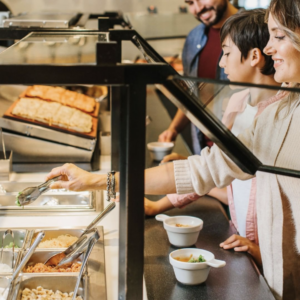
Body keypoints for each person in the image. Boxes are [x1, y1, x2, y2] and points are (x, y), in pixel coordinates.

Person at [46, 0, 300, 298]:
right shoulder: (277, 112)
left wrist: (264, 252)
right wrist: (100, 180)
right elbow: (206, 170)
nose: (270, 49)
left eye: (279, 37)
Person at [146, 9, 284, 266]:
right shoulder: (236, 103)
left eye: (227, 53)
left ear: (254, 56)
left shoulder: (284, 117)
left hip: (270, 257)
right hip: (240, 233)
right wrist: (158, 206)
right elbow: (212, 171)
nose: (221, 63)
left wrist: (261, 251)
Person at [158, 0, 238, 154]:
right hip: (202, 153)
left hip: (239, 156)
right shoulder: (193, 37)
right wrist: (173, 129)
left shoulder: (254, 31)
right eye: (190, 2)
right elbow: (193, 96)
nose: (198, 8)